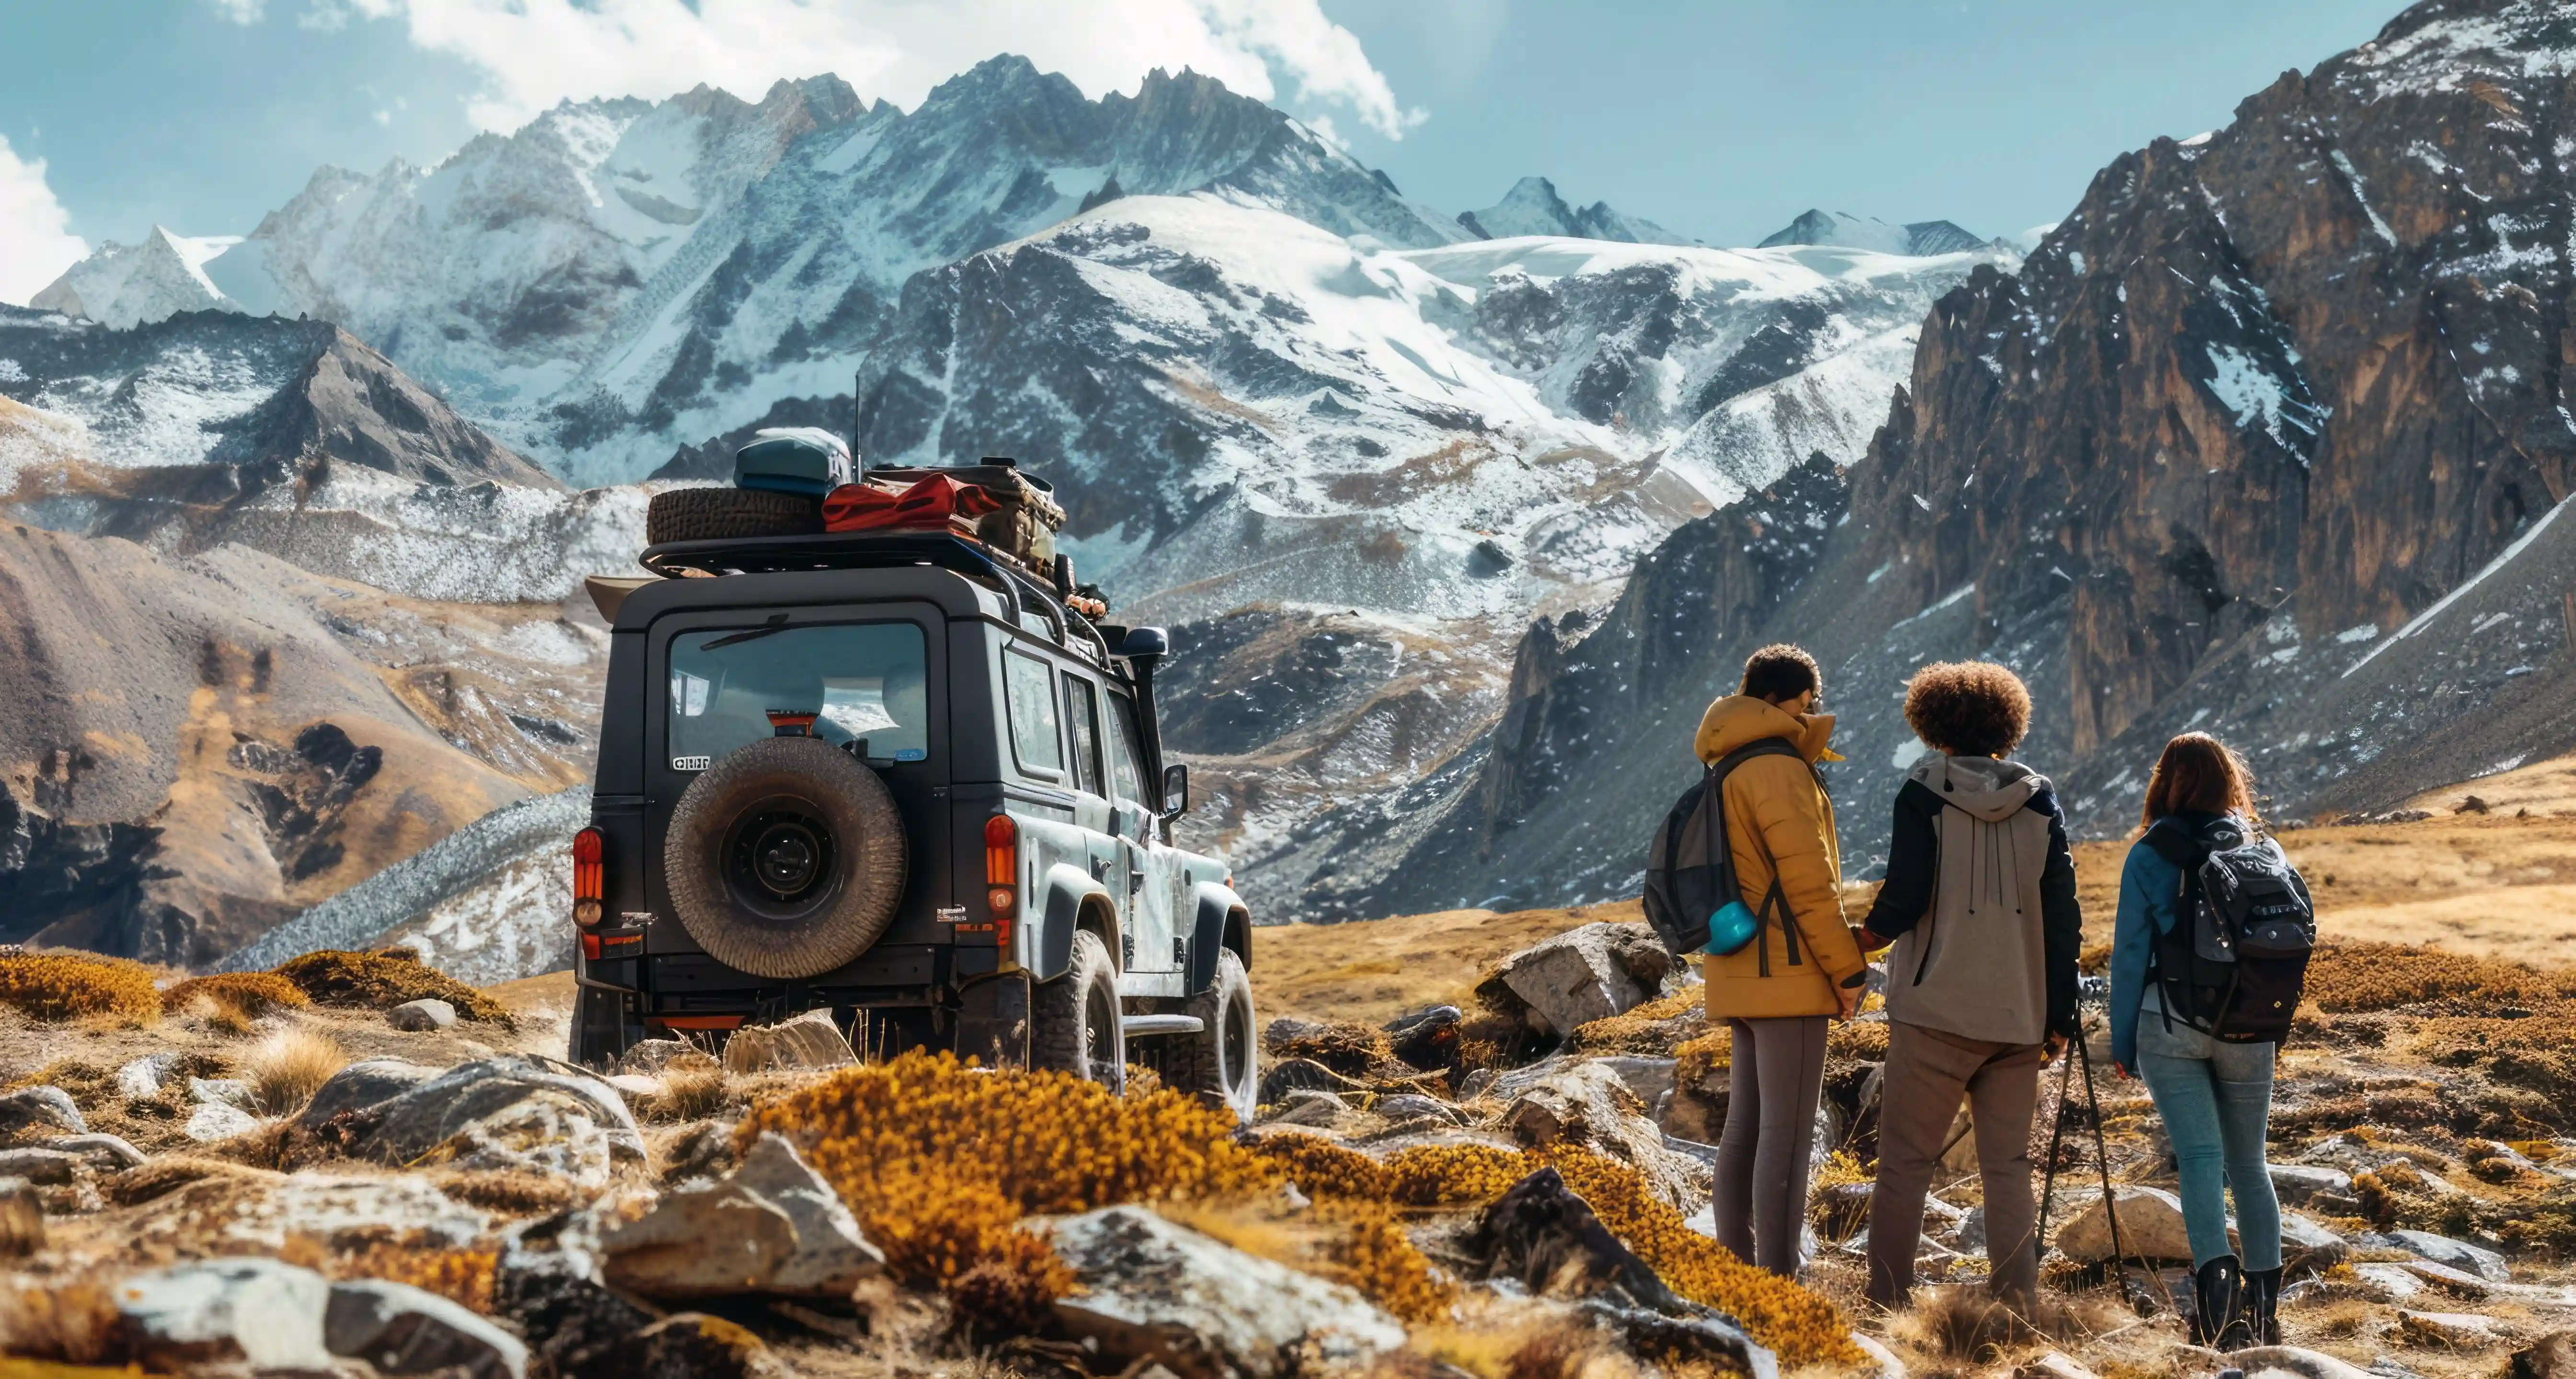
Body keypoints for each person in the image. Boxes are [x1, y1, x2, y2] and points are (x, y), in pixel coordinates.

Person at [1855, 661, 2081, 1313]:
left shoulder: (1922, 794)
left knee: (1905, 1164)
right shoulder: (2041, 800)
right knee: (2007, 1167)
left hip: (1933, 1012)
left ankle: (1889, 1305)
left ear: (1932, 723)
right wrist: (2058, 1012)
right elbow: (2063, 916)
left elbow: (1904, 897)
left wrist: (1860, 940)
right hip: (2017, 1017)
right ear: (2008, 722)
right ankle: (2018, 1303)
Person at [1694, 644, 1870, 1278]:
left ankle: (1741, 1280)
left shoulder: (1727, 761)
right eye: (1807, 703)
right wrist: (1848, 969)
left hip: (1739, 966)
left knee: (1744, 1132)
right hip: (1788, 975)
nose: (1811, 713)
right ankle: (1778, 1288)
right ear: (1786, 699)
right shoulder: (1777, 768)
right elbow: (1809, 884)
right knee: (1788, 1140)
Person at [2108, 733, 2283, 1348]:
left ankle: (2215, 1311)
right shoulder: (2262, 847)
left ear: (2167, 782)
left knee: (2203, 1161)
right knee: (2250, 1164)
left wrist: (2123, 1041)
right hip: (2251, 1027)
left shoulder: (2151, 853)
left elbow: (2129, 957)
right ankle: (2266, 1312)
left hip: (2170, 1024)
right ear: (2229, 781)